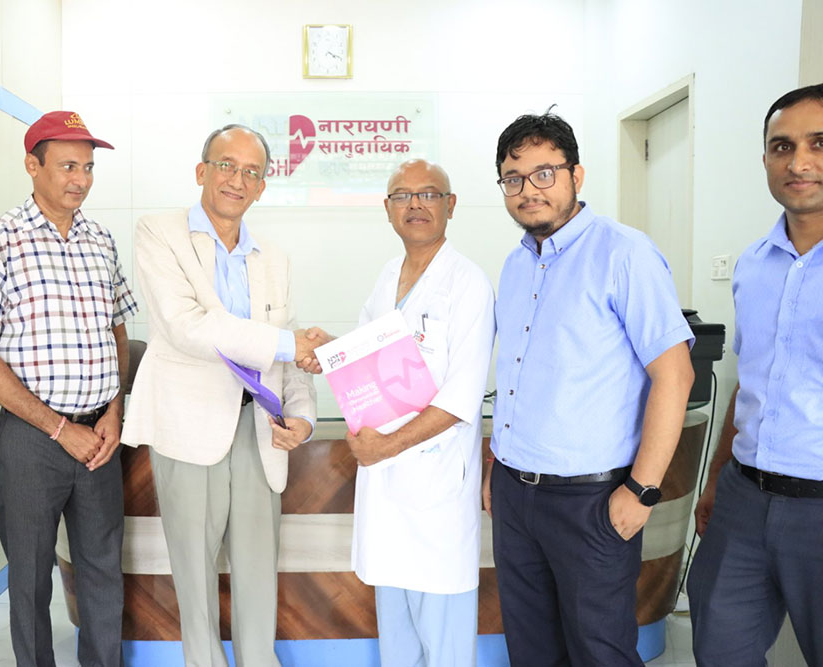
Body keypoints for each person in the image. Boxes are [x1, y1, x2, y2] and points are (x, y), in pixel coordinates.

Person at [483, 111, 695, 666]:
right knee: (531, 650)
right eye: (513, 178)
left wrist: (643, 490)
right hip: (514, 493)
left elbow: (675, 374)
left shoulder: (625, 253)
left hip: (591, 501)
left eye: (544, 173)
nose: (529, 190)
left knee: (599, 652)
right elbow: (519, 378)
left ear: (576, 174)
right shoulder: (515, 266)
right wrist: (497, 464)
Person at [122, 124, 318, 667]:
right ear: (201, 171)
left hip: (260, 431)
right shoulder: (159, 232)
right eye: (226, 165)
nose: (237, 179)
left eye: (251, 172)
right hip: (188, 430)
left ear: (262, 186)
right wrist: (289, 343)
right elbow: (187, 326)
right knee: (194, 572)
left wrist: (302, 414)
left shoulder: (273, 258)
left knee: (258, 571)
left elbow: (287, 343)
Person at [0, 110, 137, 667]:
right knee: (31, 578)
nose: (80, 179)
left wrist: (114, 411)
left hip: (99, 437)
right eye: (67, 166)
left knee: (103, 571)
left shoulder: (100, 241)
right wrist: (59, 429)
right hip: (32, 441)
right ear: (32, 166)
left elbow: (118, 331)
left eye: (88, 167)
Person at [337, 159, 494, 666]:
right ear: (387, 209)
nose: (415, 204)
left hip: (436, 487)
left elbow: (462, 396)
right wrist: (327, 351)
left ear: (451, 205)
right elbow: (365, 362)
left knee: (444, 639)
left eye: (429, 193)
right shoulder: (388, 277)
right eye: (402, 196)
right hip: (387, 489)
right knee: (398, 637)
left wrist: (385, 446)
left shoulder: (468, 283)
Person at [687, 84, 823, 666]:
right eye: (782, 146)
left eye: (819, 143)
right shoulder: (753, 264)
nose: (799, 162)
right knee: (720, 648)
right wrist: (718, 477)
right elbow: (750, 380)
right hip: (744, 499)